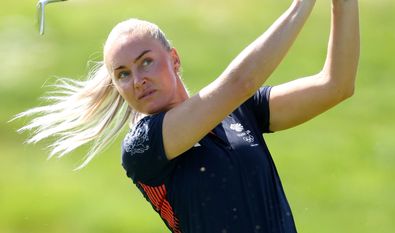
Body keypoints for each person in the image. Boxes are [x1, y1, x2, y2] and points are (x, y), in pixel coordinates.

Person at [16, 0, 360, 232]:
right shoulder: (144, 148)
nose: (138, 79)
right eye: (122, 74)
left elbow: (336, 85)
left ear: (174, 60)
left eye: (146, 61)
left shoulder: (240, 110)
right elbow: (241, 81)